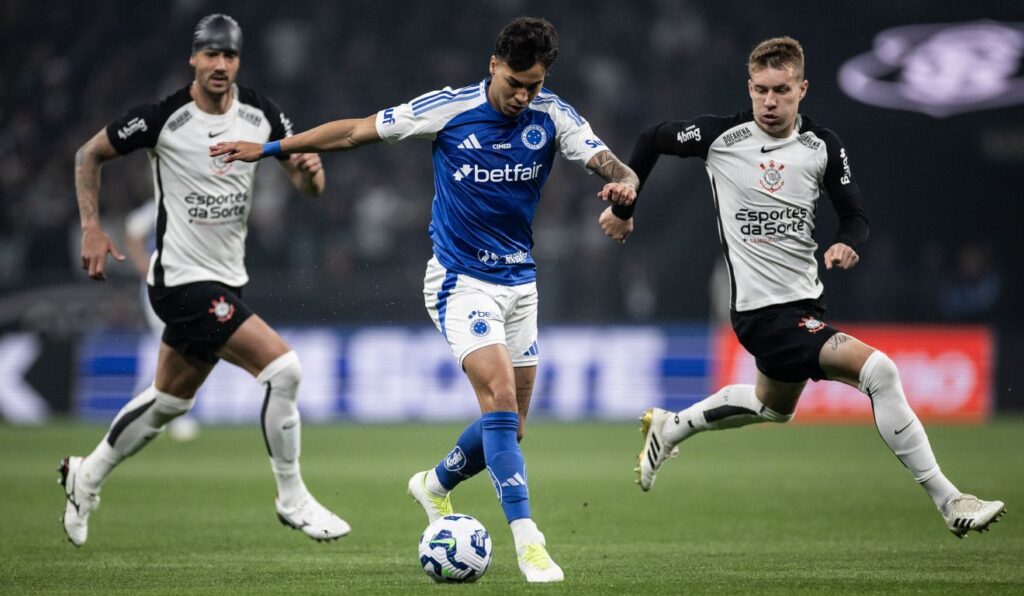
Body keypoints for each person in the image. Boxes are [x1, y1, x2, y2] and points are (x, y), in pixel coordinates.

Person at [212, 17, 638, 582]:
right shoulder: (449, 108)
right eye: (515, 81)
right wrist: (268, 148)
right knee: (501, 398)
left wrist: (624, 199)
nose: (522, 95)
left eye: (534, 84)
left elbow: (619, 169)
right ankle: (529, 541)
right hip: (459, 281)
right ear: (494, 65)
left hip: (520, 284)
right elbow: (353, 132)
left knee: (509, 429)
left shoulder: (552, 114)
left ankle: (433, 485)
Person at [601, 36, 1005, 538]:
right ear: (749, 88)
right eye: (761, 90)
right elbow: (653, 137)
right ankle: (950, 501)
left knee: (774, 406)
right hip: (761, 313)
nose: (770, 101)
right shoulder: (721, 138)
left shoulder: (822, 147)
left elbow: (855, 215)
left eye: (782, 90)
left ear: (802, 89)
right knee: (879, 371)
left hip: (804, 302)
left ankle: (671, 426)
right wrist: (624, 206)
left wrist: (845, 243)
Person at [63, 13, 350, 547]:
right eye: (210, 54)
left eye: (230, 55)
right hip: (181, 282)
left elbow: (309, 188)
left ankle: (87, 474)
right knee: (284, 370)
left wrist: (311, 173)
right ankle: (292, 497)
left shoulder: (262, 114)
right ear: (193, 58)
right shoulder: (164, 118)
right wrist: (91, 228)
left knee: (169, 403)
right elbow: (89, 154)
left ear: (239, 60)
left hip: (226, 280)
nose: (220, 65)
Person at [124, 200, 201, 442]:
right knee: (174, 346)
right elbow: (132, 234)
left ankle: (144, 404)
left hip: (188, 285)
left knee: (178, 347)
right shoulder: (161, 201)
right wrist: (147, 269)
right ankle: (171, 413)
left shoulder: (195, 201)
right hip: (161, 287)